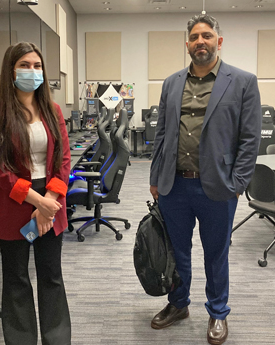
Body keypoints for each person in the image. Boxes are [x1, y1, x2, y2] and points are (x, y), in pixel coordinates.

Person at [149, 14, 261, 345]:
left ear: (218, 41)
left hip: (218, 187)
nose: (201, 41)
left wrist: (238, 183)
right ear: (187, 44)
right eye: (195, 36)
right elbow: (161, 134)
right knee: (177, 251)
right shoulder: (171, 83)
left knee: (216, 253)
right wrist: (156, 176)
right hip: (174, 186)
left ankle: (217, 312)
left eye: (207, 35)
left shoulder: (242, 81)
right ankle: (178, 304)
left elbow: (249, 138)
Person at [0, 42, 71, 345]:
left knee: (51, 276)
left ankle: (57, 338)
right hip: (15, 202)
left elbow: (63, 159)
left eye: (37, 66)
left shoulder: (52, 109)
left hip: (51, 197)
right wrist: (39, 202)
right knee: (17, 279)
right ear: (11, 70)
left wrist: (51, 202)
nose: (32, 71)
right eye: (24, 65)